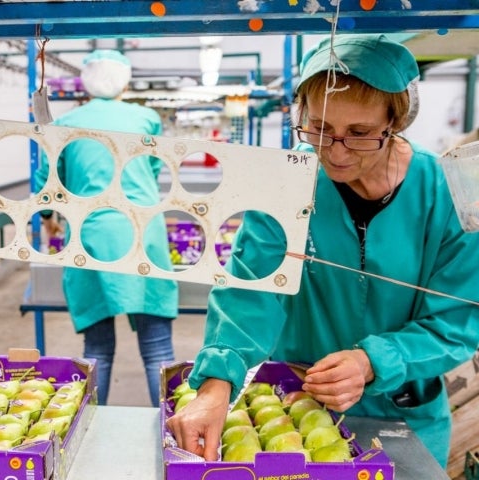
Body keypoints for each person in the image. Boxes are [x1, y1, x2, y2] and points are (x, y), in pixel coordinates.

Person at [166, 33, 479, 468]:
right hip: (300, 408)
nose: (335, 151)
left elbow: (456, 322)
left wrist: (373, 360)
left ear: (397, 121)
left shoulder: (444, 194)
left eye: (359, 133)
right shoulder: (289, 181)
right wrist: (216, 386)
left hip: (404, 415)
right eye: (319, 127)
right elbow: (250, 293)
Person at [33, 49, 179, 407]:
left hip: (91, 236)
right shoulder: (147, 118)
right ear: (126, 80)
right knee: (157, 348)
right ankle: (175, 435)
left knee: (97, 348)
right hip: (144, 231)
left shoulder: (65, 124)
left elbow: (48, 185)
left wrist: (49, 219)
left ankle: (89, 430)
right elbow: (155, 172)